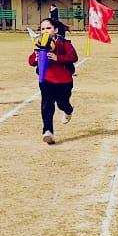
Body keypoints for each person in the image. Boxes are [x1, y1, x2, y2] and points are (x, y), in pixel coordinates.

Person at [27, 17, 78, 145]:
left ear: (55, 30)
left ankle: (68, 110)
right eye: (43, 28)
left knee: (62, 103)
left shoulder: (64, 43)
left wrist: (57, 57)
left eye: (48, 28)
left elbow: (73, 56)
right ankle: (48, 131)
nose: (45, 31)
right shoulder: (39, 44)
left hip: (64, 81)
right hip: (46, 80)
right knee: (47, 105)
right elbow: (31, 61)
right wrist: (37, 56)